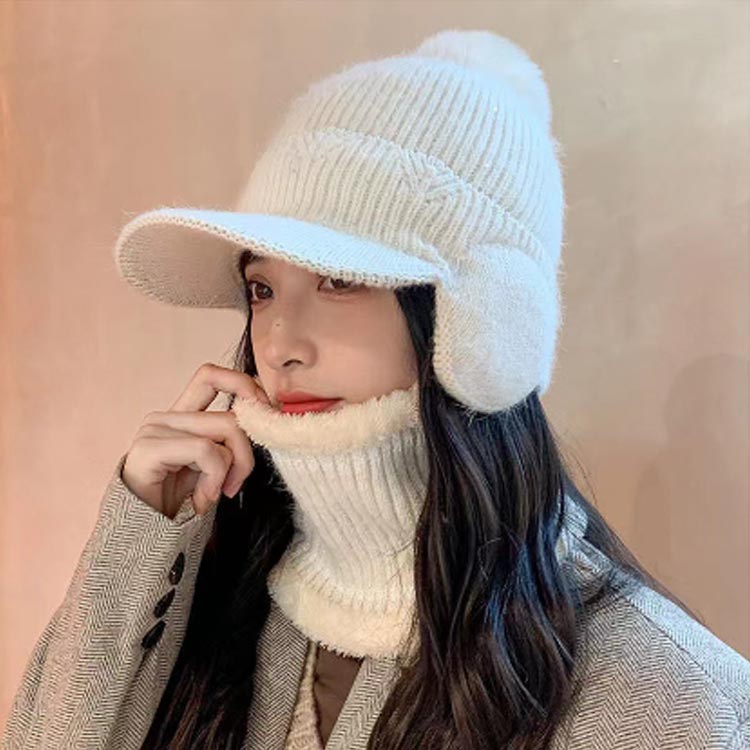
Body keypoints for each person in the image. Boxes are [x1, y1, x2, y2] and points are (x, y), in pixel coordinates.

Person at [3, 28, 749, 750]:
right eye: (261, 288)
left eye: (340, 279)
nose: (278, 345)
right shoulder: (222, 579)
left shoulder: (667, 696)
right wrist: (139, 533)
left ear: (481, 326)